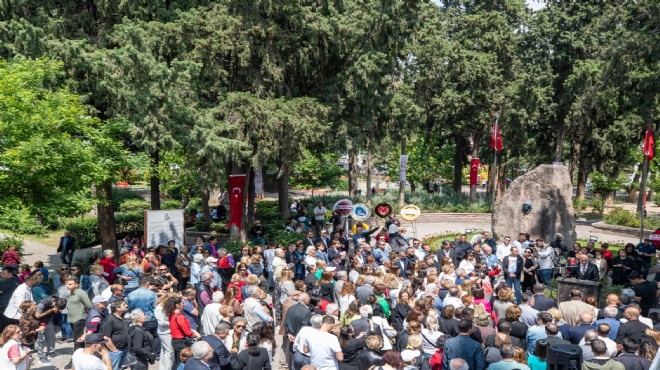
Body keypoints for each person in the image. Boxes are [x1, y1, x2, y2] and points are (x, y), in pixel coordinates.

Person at [167, 296, 202, 370]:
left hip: (175, 341)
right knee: (182, 362)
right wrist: (196, 335)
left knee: (177, 361)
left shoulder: (172, 314)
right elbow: (187, 332)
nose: (184, 304)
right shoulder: (179, 317)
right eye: (182, 303)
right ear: (177, 305)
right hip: (181, 342)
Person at [102, 299, 130, 370]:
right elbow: (106, 337)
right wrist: (114, 350)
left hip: (124, 350)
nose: (126, 305)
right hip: (114, 352)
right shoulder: (110, 320)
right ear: (117, 308)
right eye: (124, 304)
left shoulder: (122, 317)